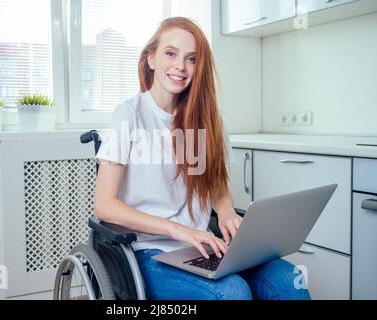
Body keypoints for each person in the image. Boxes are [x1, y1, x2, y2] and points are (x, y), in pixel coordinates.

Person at [94, 16, 310, 300]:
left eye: (191, 59)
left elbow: (217, 186)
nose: (180, 67)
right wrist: (177, 230)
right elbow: (105, 206)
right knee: (232, 293)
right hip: (147, 252)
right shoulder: (130, 114)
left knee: (288, 279)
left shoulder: (207, 119)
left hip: (202, 246)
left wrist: (227, 211)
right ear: (151, 59)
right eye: (170, 53)